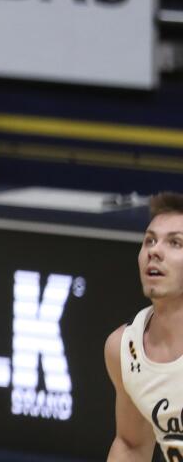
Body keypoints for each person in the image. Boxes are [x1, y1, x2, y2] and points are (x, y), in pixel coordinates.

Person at [104, 191, 183, 462]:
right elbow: (131, 444)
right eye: (150, 240)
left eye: (175, 243)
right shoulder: (124, 348)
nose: (154, 251)